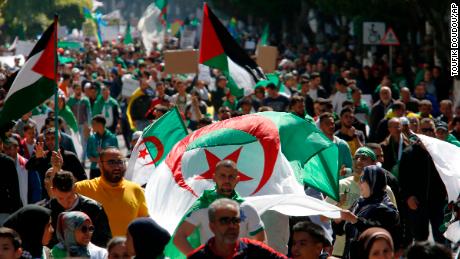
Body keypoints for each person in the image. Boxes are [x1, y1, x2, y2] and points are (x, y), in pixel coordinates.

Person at [174, 160, 266, 256]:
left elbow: (261, 241)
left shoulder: (247, 207)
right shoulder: (203, 206)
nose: (227, 180)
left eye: (231, 177)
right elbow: (179, 237)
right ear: (214, 178)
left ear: (237, 180)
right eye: (222, 176)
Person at [75, 147, 149, 237]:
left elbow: (145, 224)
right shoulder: (83, 188)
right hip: (97, 250)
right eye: (111, 162)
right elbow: (58, 195)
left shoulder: (136, 190)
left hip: (127, 249)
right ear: (100, 165)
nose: (117, 167)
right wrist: (55, 170)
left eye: (120, 162)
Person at [333, 166, 400, 259]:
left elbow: (377, 232)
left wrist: (354, 219)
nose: (359, 183)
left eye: (363, 179)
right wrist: (338, 221)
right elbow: (342, 232)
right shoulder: (359, 203)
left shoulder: (387, 210)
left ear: (374, 182)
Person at [398, 118, 447, 243]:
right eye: (425, 130)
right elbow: (403, 179)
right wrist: (408, 197)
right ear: (419, 131)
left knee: (441, 238)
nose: (428, 133)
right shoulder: (409, 153)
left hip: (438, 203)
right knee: (421, 239)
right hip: (417, 203)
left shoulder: (441, 152)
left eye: (431, 129)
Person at [187, 198, 287, 259]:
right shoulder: (197, 257)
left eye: (235, 220)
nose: (231, 226)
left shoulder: (255, 250)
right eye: (224, 221)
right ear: (212, 226)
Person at [45, 170, 112, 248]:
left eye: (69, 198)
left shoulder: (93, 208)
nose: (66, 203)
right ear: (53, 190)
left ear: (75, 188)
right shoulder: (49, 209)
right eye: (61, 198)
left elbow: (104, 240)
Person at [26, 127, 87, 199]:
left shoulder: (70, 157)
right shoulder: (43, 157)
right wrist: (36, 157)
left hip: (68, 197)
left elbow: (83, 178)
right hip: (48, 198)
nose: (50, 142)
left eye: (53, 138)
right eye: (47, 139)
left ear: (59, 139)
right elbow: (28, 167)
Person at [318, 112, 353, 178]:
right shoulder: (316, 146)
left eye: (332, 123)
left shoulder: (342, 145)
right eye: (327, 124)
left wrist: (345, 171)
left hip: (340, 186)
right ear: (321, 126)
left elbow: (351, 168)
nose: (331, 126)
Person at [0, 137, 22, 224]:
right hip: (5, 211)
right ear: (1, 146)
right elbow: (14, 190)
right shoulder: (8, 162)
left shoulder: (8, 162)